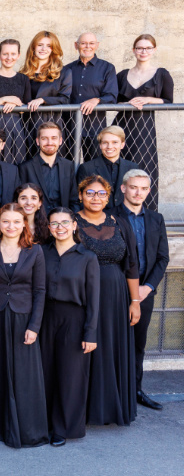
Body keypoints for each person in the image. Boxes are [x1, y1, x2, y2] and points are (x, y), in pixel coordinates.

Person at [75, 175, 141, 427]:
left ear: (109, 197)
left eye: (101, 194)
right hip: (81, 294)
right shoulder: (71, 222)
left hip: (115, 294)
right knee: (83, 348)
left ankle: (111, 409)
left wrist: (134, 301)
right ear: (80, 195)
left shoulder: (120, 223)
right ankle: (84, 410)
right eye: (90, 193)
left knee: (111, 348)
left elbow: (131, 264)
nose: (95, 198)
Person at [0, 204, 48, 448]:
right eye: (5, 221)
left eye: (16, 222)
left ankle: (26, 428)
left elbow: (40, 290)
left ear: (24, 224)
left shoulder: (35, 251)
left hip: (23, 319)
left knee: (23, 374)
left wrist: (35, 325)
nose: (11, 226)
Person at [40, 207, 99, 446]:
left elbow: (94, 299)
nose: (60, 228)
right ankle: (42, 423)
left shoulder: (87, 257)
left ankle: (63, 429)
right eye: (54, 224)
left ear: (75, 225)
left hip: (74, 318)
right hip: (44, 316)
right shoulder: (41, 253)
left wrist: (90, 333)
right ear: (49, 228)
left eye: (65, 223)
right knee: (44, 371)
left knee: (70, 375)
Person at [113, 169, 169, 411]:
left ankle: (135, 390)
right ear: (123, 188)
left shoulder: (156, 219)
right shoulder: (109, 216)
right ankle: (112, 393)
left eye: (143, 188)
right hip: (115, 291)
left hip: (144, 293)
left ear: (149, 190)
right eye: (133, 187)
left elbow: (162, 258)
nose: (138, 192)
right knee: (111, 342)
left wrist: (147, 287)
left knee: (138, 344)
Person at [114, 34, 173, 209]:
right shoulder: (122, 75)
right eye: (140, 48)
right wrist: (125, 104)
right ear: (134, 50)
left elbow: (169, 100)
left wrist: (147, 100)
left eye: (147, 48)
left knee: (144, 168)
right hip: (123, 126)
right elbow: (113, 100)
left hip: (144, 128)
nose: (143, 51)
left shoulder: (161, 74)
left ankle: (146, 214)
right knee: (120, 168)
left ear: (154, 50)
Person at [64, 33, 118, 160]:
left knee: (94, 167)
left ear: (97, 45)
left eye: (91, 43)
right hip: (69, 127)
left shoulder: (107, 68)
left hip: (95, 127)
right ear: (76, 45)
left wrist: (97, 100)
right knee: (68, 166)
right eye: (83, 43)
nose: (87, 46)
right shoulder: (67, 69)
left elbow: (112, 96)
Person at [18, 122, 80, 212]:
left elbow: (74, 200)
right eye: (44, 138)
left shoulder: (68, 166)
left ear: (60, 141)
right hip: (36, 221)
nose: (49, 142)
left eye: (54, 138)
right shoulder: (25, 168)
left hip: (62, 222)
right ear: (38, 141)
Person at [21, 31, 72, 138]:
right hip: (28, 125)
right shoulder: (23, 73)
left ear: (53, 50)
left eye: (49, 46)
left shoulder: (63, 72)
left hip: (52, 124)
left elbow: (65, 99)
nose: (44, 49)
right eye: (40, 45)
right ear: (34, 47)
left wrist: (43, 100)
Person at [76, 126, 139, 209]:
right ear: (100, 145)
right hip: (97, 218)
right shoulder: (86, 168)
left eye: (115, 142)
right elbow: (80, 200)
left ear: (122, 144)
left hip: (125, 219)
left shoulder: (133, 167)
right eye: (105, 142)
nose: (109, 146)